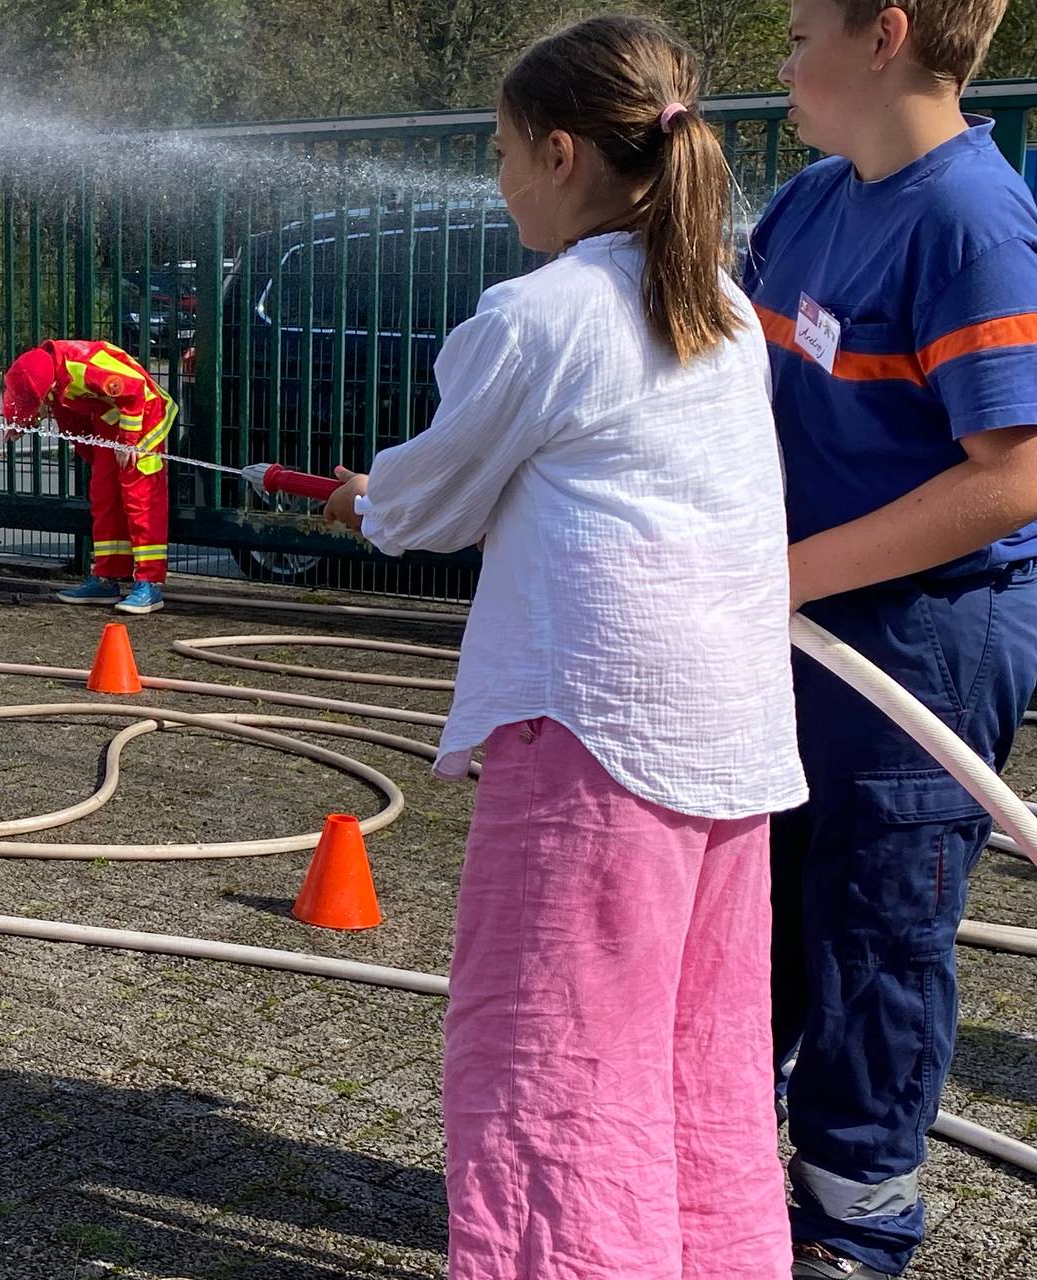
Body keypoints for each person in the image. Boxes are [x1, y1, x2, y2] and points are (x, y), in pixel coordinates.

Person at [321, 17, 805, 1278]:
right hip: (736, 743)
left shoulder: (546, 312)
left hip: (596, 738)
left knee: (556, 1063)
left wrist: (360, 496)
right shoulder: (729, 313)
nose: (495, 181)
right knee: (702, 1055)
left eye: (499, 154)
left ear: (556, 151)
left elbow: (423, 506)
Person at [747, 2, 1037, 1275]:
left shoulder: (966, 222)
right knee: (766, 903)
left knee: (875, 931)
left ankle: (855, 1225)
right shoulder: (818, 202)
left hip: (924, 635)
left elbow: (1026, 471)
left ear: (883, 33)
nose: (780, 61)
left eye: (796, 30)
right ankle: (726, 1172)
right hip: (804, 621)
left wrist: (787, 573)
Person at [0, 339, 177, 614]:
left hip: (144, 414)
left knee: (139, 497)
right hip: (111, 419)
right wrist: (20, 424)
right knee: (104, 496)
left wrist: (129, 440)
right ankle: (106, 578)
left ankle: (149, 583)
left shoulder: (81, 367)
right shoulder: (48, 375)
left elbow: (135, 392)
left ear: (49, 389)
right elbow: (64, 419)